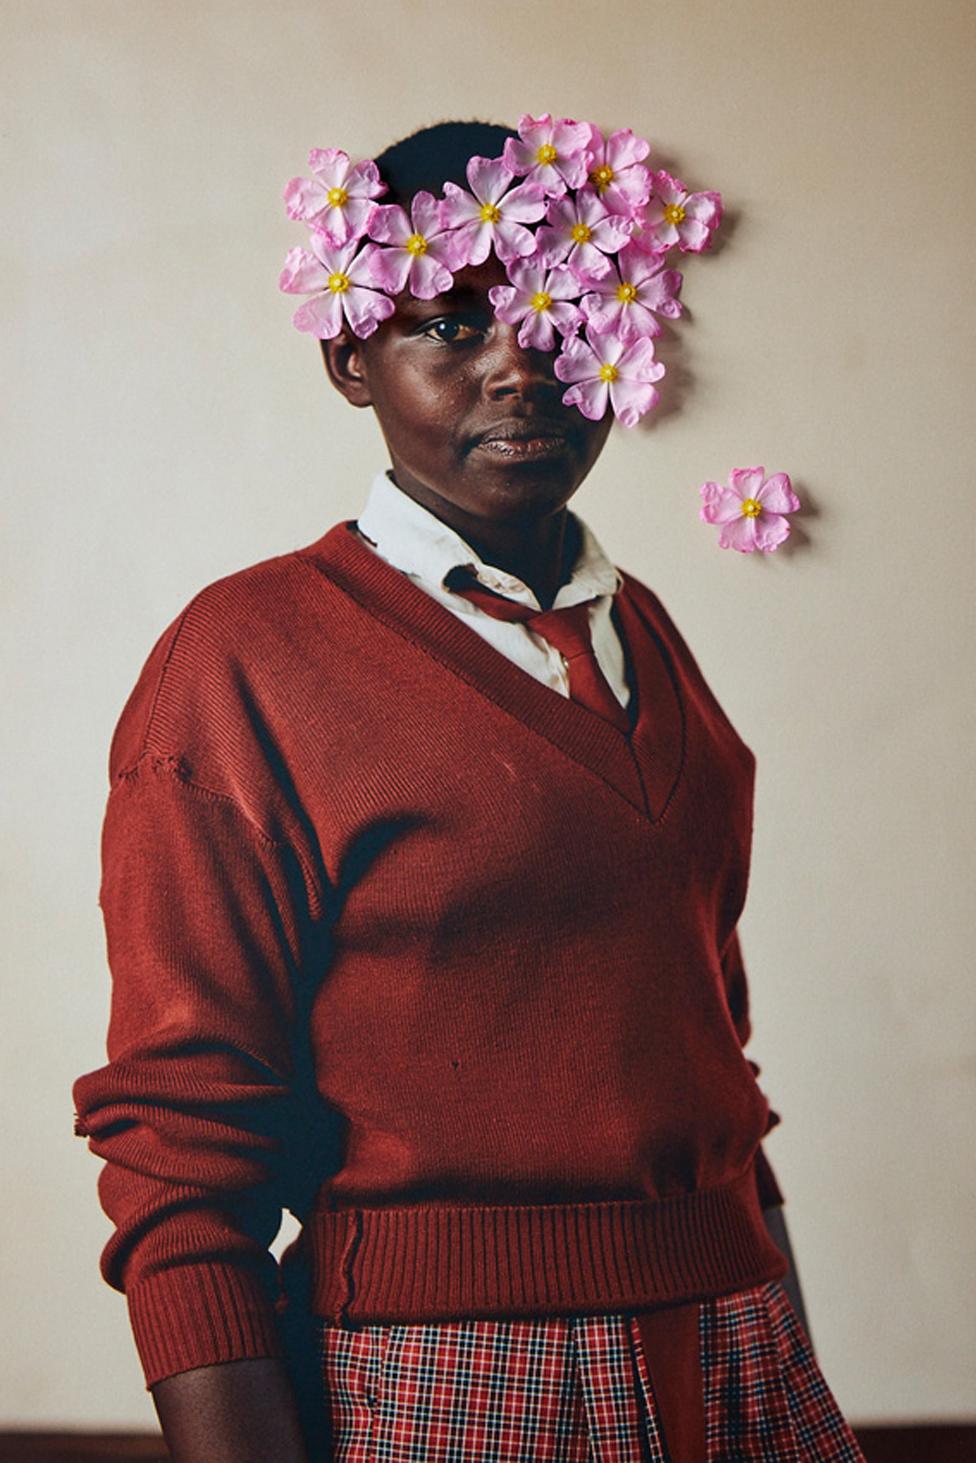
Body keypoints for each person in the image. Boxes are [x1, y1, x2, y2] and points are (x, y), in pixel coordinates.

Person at [74, 120, 865, 1462]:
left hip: (741, 1346)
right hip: (458, 1378)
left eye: (561, 314)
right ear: (349, 358)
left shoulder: (640, 629)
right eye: (447, 323)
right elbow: (180, 1151)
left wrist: (789, 1357)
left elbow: (701, 1044)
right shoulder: (246, 661)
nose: (521, 365)